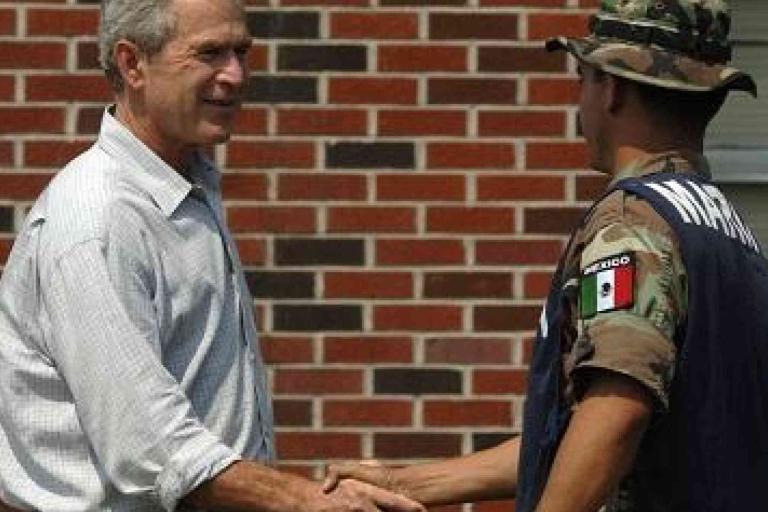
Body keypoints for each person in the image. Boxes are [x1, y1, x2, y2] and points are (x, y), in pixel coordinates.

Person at [324, 1, 768, 511]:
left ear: (613, 87)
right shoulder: (731, 234)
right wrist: (408, 485)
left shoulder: (633, 223)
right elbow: (584, 436)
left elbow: (615, 412)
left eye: (583, 78)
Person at [0, 1, 425, 511]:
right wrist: (305, 500)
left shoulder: (183, 183)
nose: (235, 75)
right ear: (132, 63)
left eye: (241, 52)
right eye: (209, 54)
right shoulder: (99, 221)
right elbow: (150, 446)